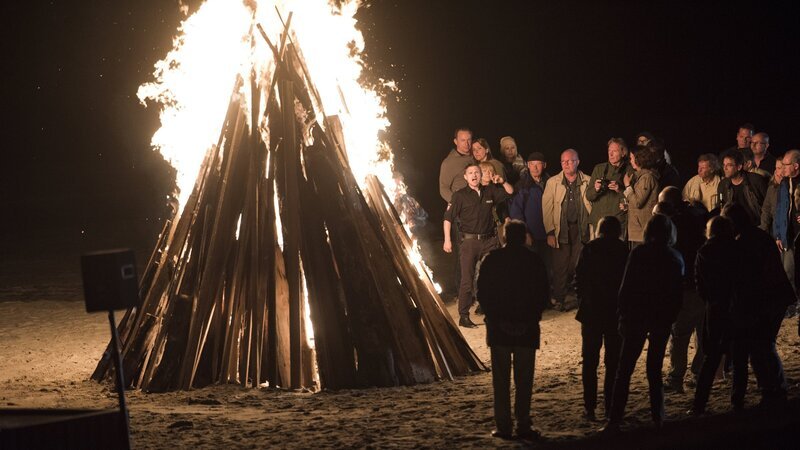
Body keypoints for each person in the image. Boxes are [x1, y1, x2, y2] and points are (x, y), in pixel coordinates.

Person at [601, 214, 684, 434]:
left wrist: (622, 314)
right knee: (654, 371)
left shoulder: (639, 253)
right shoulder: (674, 257)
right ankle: (658, 418)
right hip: (660, 318)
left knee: (624, 369)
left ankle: (614, 420)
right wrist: (671, 317)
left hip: (637, 316)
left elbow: (626, 286)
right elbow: (677, 293)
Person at [476, 220, 549, 441]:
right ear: (523, 236)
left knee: (501, 380)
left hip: (499, 328)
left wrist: (495, 318)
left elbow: (483, 294)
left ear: (505, 237)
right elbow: (543, 294)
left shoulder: (492, 260)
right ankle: (523, 424)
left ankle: (504, 426)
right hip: (526, 328)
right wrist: (531, 318)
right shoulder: (534, 260)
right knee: (524, 379)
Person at [722, 204, 794, 410]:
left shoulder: (745, 242)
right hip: (773, 296)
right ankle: (772, 388)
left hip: (768, 298)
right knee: (762, 344)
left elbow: (751, 277)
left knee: (762, 344)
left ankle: (775, 389)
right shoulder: (757, 236)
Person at [443, 163, 512, 328]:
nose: (474, 175)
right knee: (467, 279)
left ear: (481, 175)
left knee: (495, 276)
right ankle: (464, 316)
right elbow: (447, 218)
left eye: (476, 172)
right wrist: (447, 239)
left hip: (490, 241)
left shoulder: (489, 191)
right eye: (470, 173)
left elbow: (510, 192)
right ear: (465, 177)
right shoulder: (459, 196)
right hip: (470, 242)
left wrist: (502, 181)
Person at [574, 216, 628, 421]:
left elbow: (578, 278)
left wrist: (583, 300)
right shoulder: (623, 250)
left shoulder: (589, 249)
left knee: (589, 361)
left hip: (591, 311)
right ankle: (610, 406)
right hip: (615, 311)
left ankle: (589, 407)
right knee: (613, 361)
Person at [657, 187, 708, 394]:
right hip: (704, 284)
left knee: (680, 335)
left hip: (686, 285)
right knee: (703, 334)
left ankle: (676, 377)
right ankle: (699, 374)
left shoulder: (674, 226)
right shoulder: (697, 216)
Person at [690, 215, 738, 415]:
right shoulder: (737, 249)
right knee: (740, 356)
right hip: (736, 306)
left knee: (711, 357)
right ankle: (738, 402)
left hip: (715, 307)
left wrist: (710, 299)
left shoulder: (705, 251)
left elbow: (699, 283)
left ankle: (699, 404)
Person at [542, 149, 592, 311]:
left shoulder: (588, 181)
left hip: (581, 229)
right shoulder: (553, 182)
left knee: (578, 265)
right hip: (561, 229)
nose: (566, 164)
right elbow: (547, 208)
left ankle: (580, 297)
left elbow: (592, 207)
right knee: (560, 266)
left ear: (578, 162)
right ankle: (559, 299)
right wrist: (550, 232)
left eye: (570, 161)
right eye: (563, 161)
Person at [439, 127, 475, 296]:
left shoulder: (475, 155)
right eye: (463, 140)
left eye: (469, 139)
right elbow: (443, 188)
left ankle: (477, 290)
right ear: (455, 141)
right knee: (464, 253)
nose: (467, 143)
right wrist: (456, 203)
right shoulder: (449, 162)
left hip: (479, 211)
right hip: (461, 215)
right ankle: (462, 291)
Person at [585, 138, 632, 239]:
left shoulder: (629, 170)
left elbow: (634, 199)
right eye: (609, 151)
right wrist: (596, 189)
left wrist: (619, 189)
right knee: (597, 253)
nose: (610, 154)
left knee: (616, 253)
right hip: (598, 221)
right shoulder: (599, 168)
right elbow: (589, 196)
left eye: (614, 151)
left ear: (623, 153)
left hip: (618, 222)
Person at [510, 152, 550, 266]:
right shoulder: (522, 185)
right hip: (531, 237)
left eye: (538, 164)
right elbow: (516, 213)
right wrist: (525, 233)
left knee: (548, 269)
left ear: (544, 165)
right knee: (530, 267)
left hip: (549, 236)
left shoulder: (552, 183)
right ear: (528, 165)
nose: (535, 167)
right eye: (532, 164)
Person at [772, 150, 800, 292]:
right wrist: (778, 234)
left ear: (796, 165)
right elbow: (780, 209)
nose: (782, 169)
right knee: (788, 273)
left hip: (797, 234)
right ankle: (794, 305)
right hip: (787, 235)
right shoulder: (784, 182)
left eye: (786, 165)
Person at [622, 145, 660, 247]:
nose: (630, 161)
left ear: (639, 159)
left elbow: (638, 202)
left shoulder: (646, 178)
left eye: (631, 158)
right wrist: (628, 206)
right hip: (637, 231)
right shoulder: (641, 178)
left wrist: (627, 185)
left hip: (641, 232)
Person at [717, 150, 767, 226]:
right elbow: (721, 206)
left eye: (729, 165)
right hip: (734, 227)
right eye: (724, 165)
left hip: (756, 225)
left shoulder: (756, 180)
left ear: (739, 167)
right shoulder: (723, 184)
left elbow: (768, 206)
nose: (725, 168)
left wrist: (763, 226)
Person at [760, 159, 784, 233]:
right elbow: (766, 209)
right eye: (776, 168)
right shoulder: (772, 187)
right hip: (775, 231)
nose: (776, 171)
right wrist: (763, 229)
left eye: (779, 168)